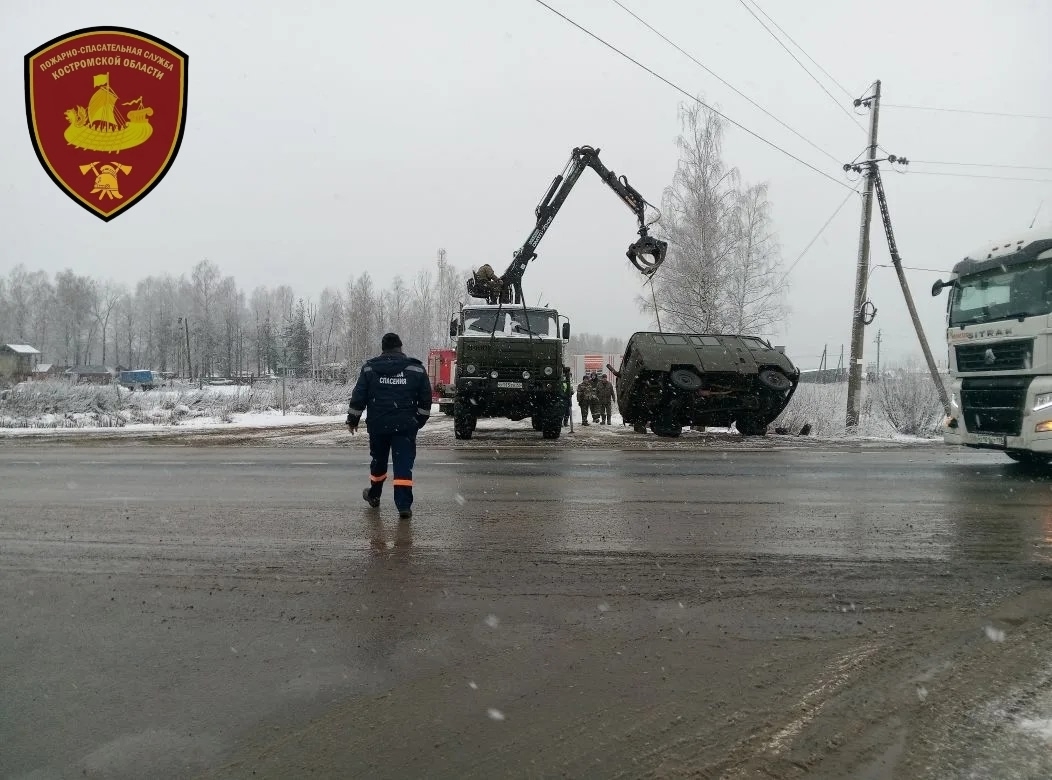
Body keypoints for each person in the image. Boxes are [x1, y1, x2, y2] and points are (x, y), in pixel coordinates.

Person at [346, 333, 432, 520]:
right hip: (405, 427)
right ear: (400, 347)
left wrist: (353, 420)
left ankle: (374, 495)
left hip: (378, 425)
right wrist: (418, 421)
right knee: (403, 466)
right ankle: (403, 506)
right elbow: (426, 399)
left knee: (379, 461)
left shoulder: (370, 368)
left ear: (383, 349)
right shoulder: (416, 369)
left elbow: (359, 395)